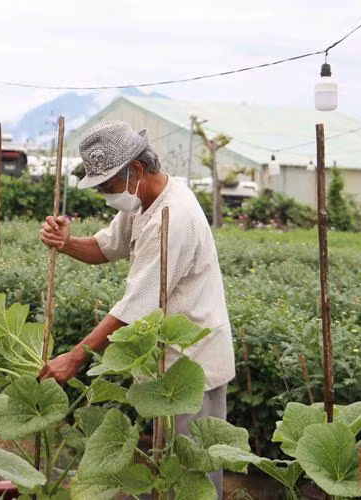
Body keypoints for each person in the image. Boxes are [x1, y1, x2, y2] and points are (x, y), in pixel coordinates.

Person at [39, 120, 235, 498]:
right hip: (164, 362)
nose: (105, 195)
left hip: (192, 364)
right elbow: (104, 247)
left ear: (137, 170)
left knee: (193, 475)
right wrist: (65, 243)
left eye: (108, 187)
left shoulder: (173, 216)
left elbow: (137, 307)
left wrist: (75, 357)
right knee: (164, 466)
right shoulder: (143, 201)